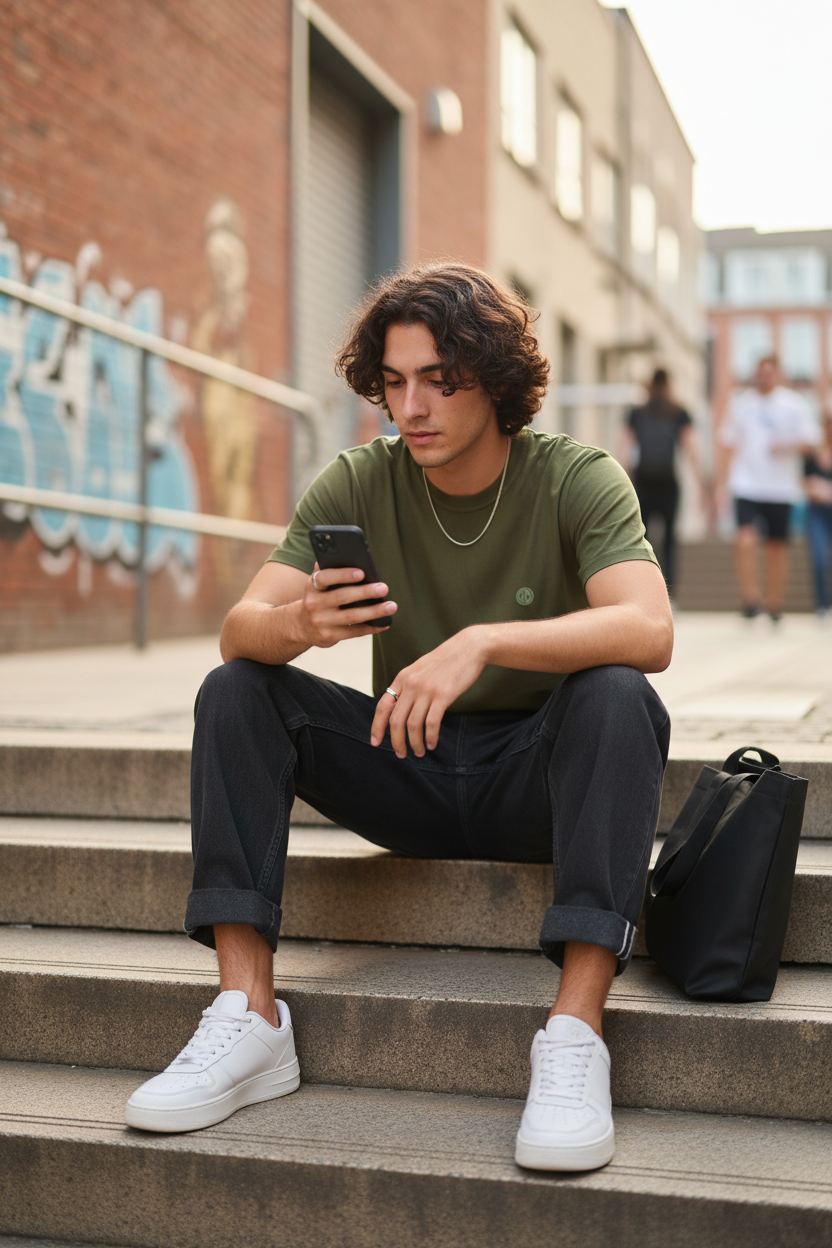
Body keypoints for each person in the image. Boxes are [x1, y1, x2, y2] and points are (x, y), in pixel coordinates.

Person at [125, 263, 672, 1173]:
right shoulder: (357, 480)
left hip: (534, 780)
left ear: (494, 379)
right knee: (239, 688)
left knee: (619, 694)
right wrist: (301, 623)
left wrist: (484, 642)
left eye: (438, 380)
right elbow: (237, 629)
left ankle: (574, 1036)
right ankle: (250, 1016)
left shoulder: (576, 476)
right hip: (404, 762)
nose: (409, 406)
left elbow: (649, 628)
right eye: (394, 382)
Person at [718, 355, 820, 621]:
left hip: (780, 487)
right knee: (745, 540)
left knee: (776, 548)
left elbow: (812, 442)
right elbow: (728, 443)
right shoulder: (741, 404)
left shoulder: (794, 405)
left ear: (778, 374)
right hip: (746, 483)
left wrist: (787, 446)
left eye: (769, 373)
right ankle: (752, 600)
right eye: (760, 373)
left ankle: (775, 603)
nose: (764, 377)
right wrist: (721, 483)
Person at [622, 368, 707, 597]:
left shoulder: (639, 413)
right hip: (665, 484)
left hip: (644, 484)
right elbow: (691, 449)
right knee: (668, 542)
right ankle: (668, 596)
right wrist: (702, 484)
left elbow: (625, 450)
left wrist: (621, 481)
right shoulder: (677, 412)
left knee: (643, 541)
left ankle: (647, 593)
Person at [804, 410, 832, 618]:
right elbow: (804, 481)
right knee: (819, 558)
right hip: (817, 512)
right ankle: (822, 605)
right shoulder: (812, 455)